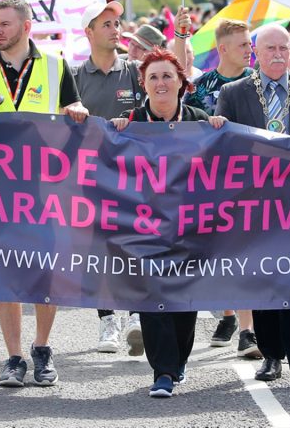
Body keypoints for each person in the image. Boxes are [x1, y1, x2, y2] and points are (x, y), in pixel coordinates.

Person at [0, 0, 89, 388]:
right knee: (6, 274)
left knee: (44, 274)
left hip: (44, 187)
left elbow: (74, 108)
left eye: (5, 24)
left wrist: (78, 110)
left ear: (26, 27)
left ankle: (42, 348)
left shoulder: (54, 65)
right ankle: (14, 356)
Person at [216, 24, 290, 386]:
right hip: (255, 204)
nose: (279, 55)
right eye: (271, 49)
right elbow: (224, 147)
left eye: (284, 48)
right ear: (256, 51)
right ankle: (270, 356)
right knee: (263, 278)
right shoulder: (234, 93)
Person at [110, 48, 227, 397]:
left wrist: (220, 130)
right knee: (153, 295)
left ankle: (177, 364)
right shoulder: (130, 122)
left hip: (191, 226)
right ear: (143, 84)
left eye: (167, 76)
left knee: (184, 300)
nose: (160, 83)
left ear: (181, 82)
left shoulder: (199, 120)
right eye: (153, 77)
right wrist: (112, 131)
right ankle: (162, 371)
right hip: (144, 227)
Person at [175, 13, 260, 358]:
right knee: (215, 254)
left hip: (250, 182)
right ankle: (228, 315)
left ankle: (248, 331)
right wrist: (182, 32)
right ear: (222, 49)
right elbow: (179, 78)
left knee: (243, 254)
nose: (250, 51)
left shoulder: (258, 84)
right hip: (209, 183)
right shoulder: (202, 87)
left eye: (251, 44)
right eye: (243, 45)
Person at [70, 0, 145, 355]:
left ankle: (134, 315)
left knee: (130, 245)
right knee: (98, 249)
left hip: (132, 176)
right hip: (90, 178)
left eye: (117, 23)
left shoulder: (133, 71)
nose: (116, 29)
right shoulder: (74, 77)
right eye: (107, 24)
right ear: (89, 32)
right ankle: (106, 320)